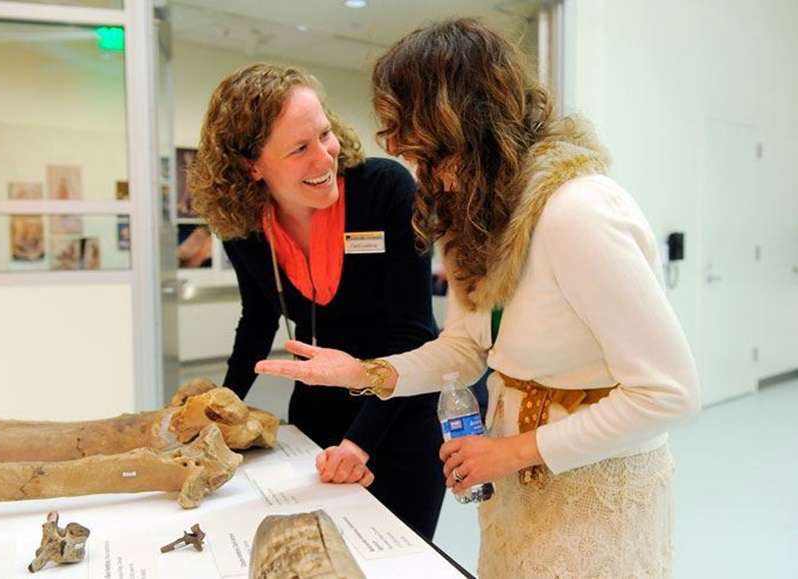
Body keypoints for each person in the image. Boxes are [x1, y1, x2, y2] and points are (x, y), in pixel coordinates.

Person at [255, 19, 700, 577]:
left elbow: (670, 394)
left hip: (595, 489)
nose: (409, 161)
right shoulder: (478, 216)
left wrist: (510, 453)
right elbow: (467, 349)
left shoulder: (578, 212)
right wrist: (365, 373)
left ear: (463, 125)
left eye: (418, 143)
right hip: (513, 476)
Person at [187, 64, 446, 539]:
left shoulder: (383, 191)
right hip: (316, 424)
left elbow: (413, 333)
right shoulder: (244, 227)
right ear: (252, 165)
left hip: (400, 419)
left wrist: (358, 444)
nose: (325, 158)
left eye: (324, 134)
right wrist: (220, 412)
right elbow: (258, 320)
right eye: (299, 149)